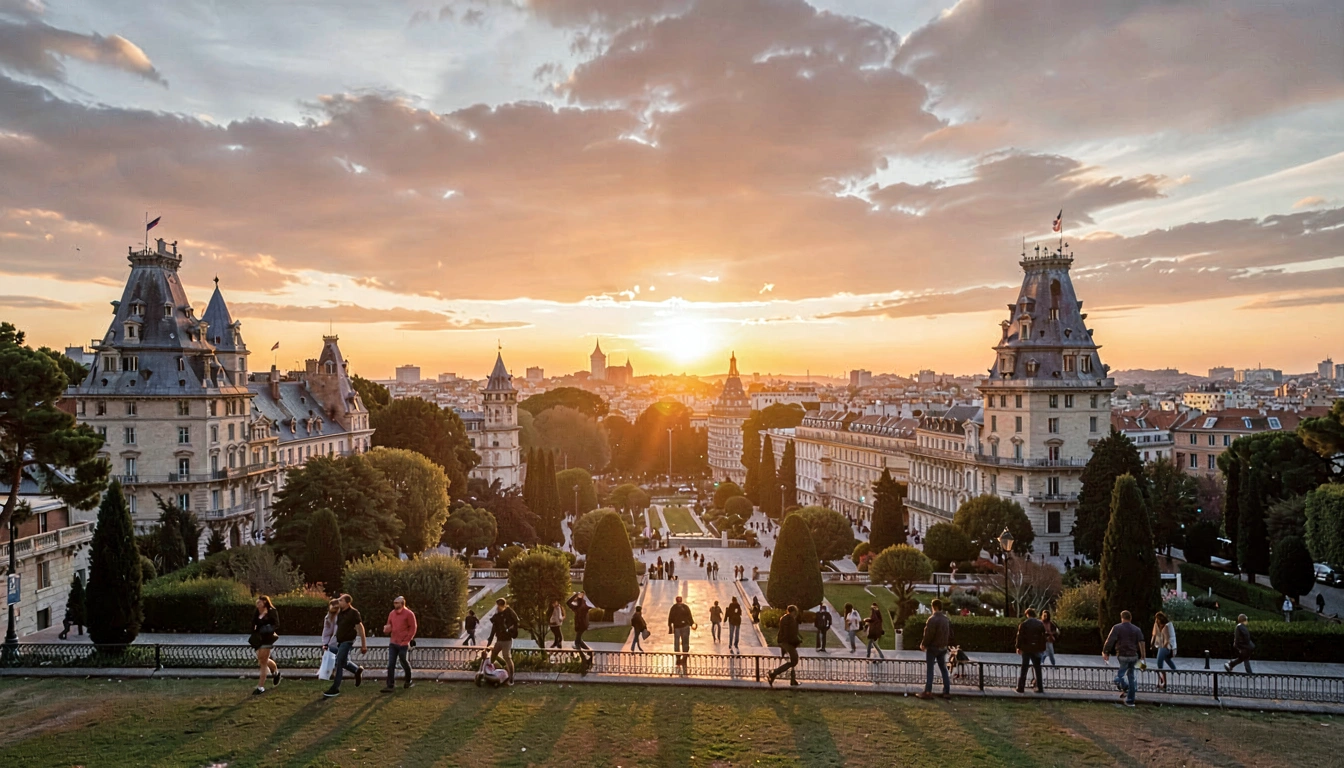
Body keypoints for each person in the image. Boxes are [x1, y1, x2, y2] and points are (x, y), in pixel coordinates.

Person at [323, 594, 367, 698]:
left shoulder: (354, 613)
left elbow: (361, 629)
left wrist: (363, 645)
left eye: (341, 600)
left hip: (348, 641)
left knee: (339, 662)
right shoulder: (340, 612)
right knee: (343, 661)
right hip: (340, 641)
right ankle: (356, 670)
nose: (339, 602)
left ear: (348, 602)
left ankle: (335, 688)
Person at [1102, 610, 1146, 707]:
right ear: (1130, 618)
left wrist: (1106, 652)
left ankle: (1125, 687)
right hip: (1134, 656)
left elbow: (1110, 640)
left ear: (1122, 618)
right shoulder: (1137, 629)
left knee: (1120, 676)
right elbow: (1142, 643)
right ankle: (1130, 701)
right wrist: (1143, 657)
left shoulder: (1117, 628)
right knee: (1131, 677)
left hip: (1122, 655)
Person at [916, 598, 951, 699]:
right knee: (943, 669)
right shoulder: (946, 619)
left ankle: (928, 691)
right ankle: (946, 691)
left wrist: (923, 644)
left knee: (930, 669)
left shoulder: (932, 619)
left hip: (933, 648)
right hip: (943, 647)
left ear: (934, 607)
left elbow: (928, 635)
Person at [381, 595, 418, 692]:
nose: (394, 604)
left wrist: (407, 640)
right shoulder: (392, 613)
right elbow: (389, 625)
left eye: (396, 603)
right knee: (391, 664)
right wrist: (386, 629)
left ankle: (408, 680)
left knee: (403, 661)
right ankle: (390, 685)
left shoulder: (409, 614)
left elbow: (413, 628)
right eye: (394, 602)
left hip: (403, 643)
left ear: (402, 603)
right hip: (393, 642)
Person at [251, 595, 281, 696]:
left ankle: (260, 687)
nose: (258, 604)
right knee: (262, 659)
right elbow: (253, 622)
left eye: (259, 603)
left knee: (263, 662)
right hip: (259, 638)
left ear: (264, 602)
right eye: (257, 603)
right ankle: (276, 672)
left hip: (267, 638)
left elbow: (276, 624)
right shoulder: (257, 611)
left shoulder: (272, 611)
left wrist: (268, 628)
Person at [767, 604, 802, 687]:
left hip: (786, 642)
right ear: (793, 612)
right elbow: (789, 633)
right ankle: (774, 673)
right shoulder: (789, 619)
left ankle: (793, 680)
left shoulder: (786, 618)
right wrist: (794, 641)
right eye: (795, 612)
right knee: (794, 661)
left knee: (792, 660)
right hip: (788, 642)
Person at [1014, 607, 1046, 694]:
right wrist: (1042, 648)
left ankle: (1021, 687)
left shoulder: (1024, 624)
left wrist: (1018, 647)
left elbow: (1019, 637)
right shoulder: (1040, 624)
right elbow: (1043, 637)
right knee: (1037, 668)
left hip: (1026, 648)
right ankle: (1040, 687)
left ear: (1027, 614)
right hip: (1036, 648)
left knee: (1024, 667)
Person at [490, 597, 520, 685]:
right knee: (493, 654)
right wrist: (490, 638)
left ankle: (511, 678)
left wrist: (511, 629)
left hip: (507, 640)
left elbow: (517, 622)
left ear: (503, 605)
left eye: (499, 606)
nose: (498, 608)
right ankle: (493, 672)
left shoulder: (509, 612)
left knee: (506, 656)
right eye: (497, 606)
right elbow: (494, 627)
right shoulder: (497, 615)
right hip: (499, 639)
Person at [1151, 611, 1177, 689]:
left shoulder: (1166, 626)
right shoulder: (1159, 626)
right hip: (1166, 647)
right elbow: (1154, 635)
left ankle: (1163, 680)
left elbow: (1167, 639)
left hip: (1165, 647)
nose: (1156, 621)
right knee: (1166, 660)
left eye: (1157, 619)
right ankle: (1175, 671)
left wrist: (1164, 646)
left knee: (1159, 664)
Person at [668, 595, 695, 670]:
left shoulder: (673, 608)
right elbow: (689, 616)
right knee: (685, 642)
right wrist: (692, 623)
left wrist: (670, 627)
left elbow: (670, 618)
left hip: (677, 627)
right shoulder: (685, 607)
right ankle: (685, 656)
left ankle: (678, 657)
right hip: (685, 626)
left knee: (677, 643)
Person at [567, 591, 594, 666]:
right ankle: (590, 653)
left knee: (577, 643)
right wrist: (575, 595)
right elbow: (568, 603)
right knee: (579, 641)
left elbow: (591, 605)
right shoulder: (576, 606)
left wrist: (583, 597)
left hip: (582, 625)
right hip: (579, 626)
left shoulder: (584, 605)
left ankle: (585, 658)